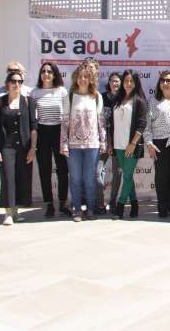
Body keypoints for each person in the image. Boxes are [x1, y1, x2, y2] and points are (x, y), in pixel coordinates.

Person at [0, 70, 37, 225]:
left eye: (19, 82)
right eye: (13, 81)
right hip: (6, 146)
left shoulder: (28, 101)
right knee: (8, 178)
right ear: (7, 84)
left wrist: (32, 148)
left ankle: (16, 211)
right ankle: (8, 213)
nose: (17, 84)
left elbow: (33, 127)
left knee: (21, 178)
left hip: (24, 147)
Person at [60, 64, 106, 222]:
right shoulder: (70, 96)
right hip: (73, 146)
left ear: (91, 79)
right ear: (75, 79)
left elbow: (101, 122)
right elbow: (65, 123)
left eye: (86, 77)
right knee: (75, 178)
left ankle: (91, 209)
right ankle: (77, 209)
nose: (83, 79)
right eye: (80, 77)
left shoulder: (97, 96)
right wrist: (64, 144)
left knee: (90, 179)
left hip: (92, 145)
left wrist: (103, 141)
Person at [144, 71, 170, 218]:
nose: (165, 83)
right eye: (163, 80)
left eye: (169, 80)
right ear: (159, 83)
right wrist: (149, 143)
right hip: (159, 143)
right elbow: (147, 125)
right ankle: (161, 205)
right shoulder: (153, 100)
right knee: (161, 175)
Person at [31, 61, 71, 218]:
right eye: (43, 71)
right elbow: (33, 118)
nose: (46, 74)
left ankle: (62, 203)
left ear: (54, 74)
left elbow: (66, 116)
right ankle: (49, 203)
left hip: (59, 132)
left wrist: (66, 137)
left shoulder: (61, 91)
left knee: (62, 169)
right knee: (44, 170)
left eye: (49, 71)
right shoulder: (35, 93)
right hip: (42, 133)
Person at [107, 69, 147, 219]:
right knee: (128, 177)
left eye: (131, 81)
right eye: (126, 81)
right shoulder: (117, 100)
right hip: (117, 145)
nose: (128, 84)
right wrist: (110, 144)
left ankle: (120, 206)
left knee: (127, 175)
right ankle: (135, 204)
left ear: (136, 83)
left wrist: (133, 143)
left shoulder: (139, 101)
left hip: (132, 145)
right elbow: (111, 124)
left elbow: (142, 125)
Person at [103, 71, 123, 213]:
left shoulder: (124, 99)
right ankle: (99, 202)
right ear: (109, 83)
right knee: (97, 173)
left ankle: (113, 201)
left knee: (117, 173)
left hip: (119, 141)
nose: (115, 83)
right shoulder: (101, 97)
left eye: (117, 81)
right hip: (102, 140)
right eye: (112, 81)